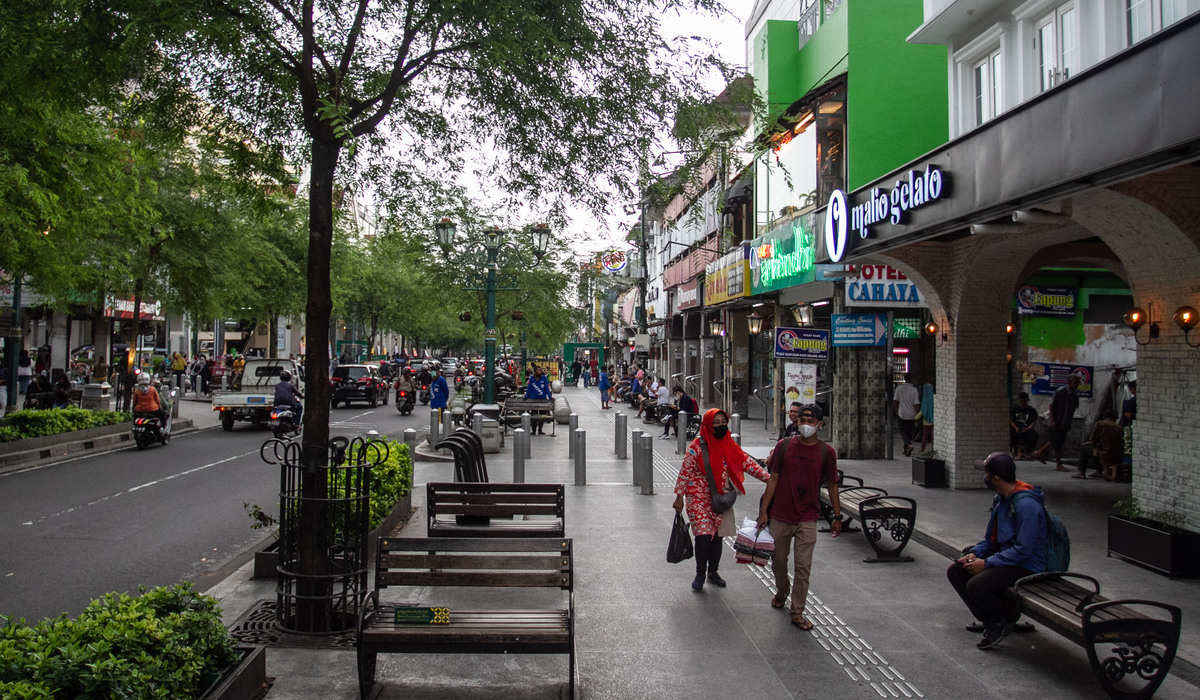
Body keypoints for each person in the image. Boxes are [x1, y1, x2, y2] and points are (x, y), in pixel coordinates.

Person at [948, 452, 1047, 650]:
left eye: (986, 474)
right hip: (1007, 558)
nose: (984, 478)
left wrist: (986, 564)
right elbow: (991, 538)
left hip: (1026, 565)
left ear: (995, 478)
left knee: (977, 585)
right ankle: (995, 618)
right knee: (956, 571)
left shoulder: (1026, 505)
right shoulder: (1001, 499)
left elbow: (1023, 550)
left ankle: (1000, 621)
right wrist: (976, 553)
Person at [757, 403, 841, 630]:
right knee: (779, 562)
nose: (805, 425)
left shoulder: (827, 452)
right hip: (781, 514)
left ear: (820, 425)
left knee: (803, 567)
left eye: (810, 421)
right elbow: (773, 479)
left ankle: (797, 611)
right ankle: (782, 589)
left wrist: (837, 516)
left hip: (808, 516)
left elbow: (833, 485)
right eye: (802, 420)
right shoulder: (784, 446)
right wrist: (764, 511)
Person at [673, 409, 770, 591]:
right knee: (703, 536)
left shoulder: (729, 444)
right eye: (715, 423)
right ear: (708, 425)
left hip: (721, 497)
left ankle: (713, 572)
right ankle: (700, 573)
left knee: (717, 537)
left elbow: (746, 463)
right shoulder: (697, 445)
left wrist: (769, 479)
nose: (719, 426)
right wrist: (679, 497)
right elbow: (685, 472)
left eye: (722, 422)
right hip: (698, 497)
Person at [1033, 373, 1082, 471]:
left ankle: (1039, 452)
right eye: (1075, 382)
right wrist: (1054, 420)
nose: (1077, 384)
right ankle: (1058, 464)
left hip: (1065, 422)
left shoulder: (1075, 394)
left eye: (1078, 382)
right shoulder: (1060, 392)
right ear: (1069, 382)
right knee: (1057, 443)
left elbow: (1074, 408)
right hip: (1056, 421)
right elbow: (1052, 406)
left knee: (1057, 441)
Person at [1077, 410, 1123, 480]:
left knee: (1084, 448)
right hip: (1118, 456)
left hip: (1105, 454)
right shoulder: (1119, 427)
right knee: (1097, 449)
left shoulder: (1100, 424)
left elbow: (1094, 440)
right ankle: (1098, 471)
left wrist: (1087, 443)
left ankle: (1081, 473)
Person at [894, 373, 921, 456]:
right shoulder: (914, 390)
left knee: (902, 430)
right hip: (911, 414)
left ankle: (908, 445)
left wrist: (896, 411)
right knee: (909, 431)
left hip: (902, 413)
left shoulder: (899, 388)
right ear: (912, 379)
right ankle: (906, 450)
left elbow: (895, 401)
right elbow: (916, 404)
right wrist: (916, 416)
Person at [1009, 392, 1039, 459]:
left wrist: (1029, 428)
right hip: (1016, 428)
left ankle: (1028, 450)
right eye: (1021, 400)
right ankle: (1013, 449)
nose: (1023, 402)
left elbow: (1034, 421)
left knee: (1035, 435)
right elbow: (1010, 420)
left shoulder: (1031, 410)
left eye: (1024, 401)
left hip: (1026, 428)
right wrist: (1015, 427)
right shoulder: (1014, 409)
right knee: (1010, 434)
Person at [524, 365, 552, 434]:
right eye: (538, 370)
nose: (539, 372)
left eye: (540, 370)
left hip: (542, 399)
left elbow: (546, 389)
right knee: (534, 414)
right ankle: (533, 430)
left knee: (542, 415)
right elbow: (529, 389)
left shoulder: (544, 378)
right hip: (534, 399)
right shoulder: (532, 379)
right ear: (535, 371)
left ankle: (540, 429)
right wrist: (526, 397)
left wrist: (550, 397)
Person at [919, 383, 935, 452]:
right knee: (933, 437)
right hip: (934, 421)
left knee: (925, 437)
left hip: (925, 422)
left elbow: (923, 411)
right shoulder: (934, 398)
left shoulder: (925, 399)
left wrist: (915, 418)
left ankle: (922, 449)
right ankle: (934, 450)